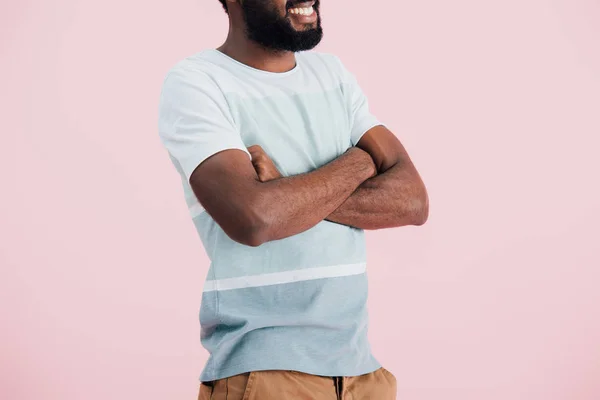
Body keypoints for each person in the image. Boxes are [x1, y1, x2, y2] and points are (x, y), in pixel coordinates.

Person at [157, 0, 429, 398]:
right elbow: (254, 218)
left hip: (362, 374)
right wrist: (360, 161)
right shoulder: (198, 82)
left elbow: (413, 201)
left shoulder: (332, 74)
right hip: (267, 374)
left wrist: (288, 189)